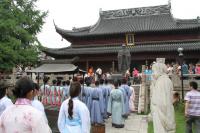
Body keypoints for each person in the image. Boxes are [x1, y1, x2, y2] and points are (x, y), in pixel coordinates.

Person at [151, 62, 176, 133]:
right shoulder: (167, 80)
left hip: (160, 113)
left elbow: (161, 102)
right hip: (167, 110)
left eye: (153, 71)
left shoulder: (161, 82)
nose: (152, 74)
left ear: (159, 71)